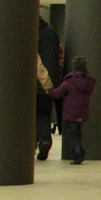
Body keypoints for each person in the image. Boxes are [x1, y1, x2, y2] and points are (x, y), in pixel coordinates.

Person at [48, 56, 95, 165]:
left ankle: (77, 154)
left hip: (71, 111)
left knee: (72, 134)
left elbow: (58, 93)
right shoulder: (89, 81)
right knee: (78, 132)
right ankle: (80, 151)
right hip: (83, 110)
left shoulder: (70, 80)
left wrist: (49, 90)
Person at [36, 15, 62, 160]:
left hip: (32, 81)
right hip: (49, 83)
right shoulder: (51, 33)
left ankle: (30, 144)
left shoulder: (27, 32)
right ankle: (44, 140)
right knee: (43, 115)